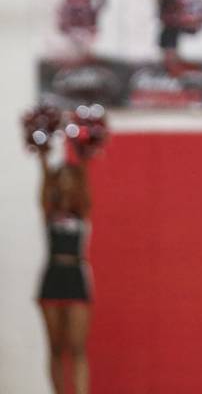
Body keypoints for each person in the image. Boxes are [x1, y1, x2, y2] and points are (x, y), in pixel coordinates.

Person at [36, 149, 93, 394]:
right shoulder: (49, 210)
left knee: (77, 347)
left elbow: (84, 174)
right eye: (63, 177)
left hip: (75, 275)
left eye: (71, 177)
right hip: (52, 274)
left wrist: (84, 152)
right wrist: (43, 155)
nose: (67, 182)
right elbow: (45, 183)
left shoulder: (83, 210)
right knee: (56, 347)